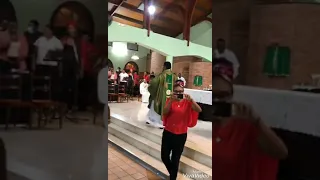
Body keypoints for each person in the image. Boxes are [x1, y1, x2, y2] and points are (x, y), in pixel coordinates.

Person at [211, 58, 288, 180]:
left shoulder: (245, 125)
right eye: (212, 95)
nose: (217, 101)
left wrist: (257, 122)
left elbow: (281, 153)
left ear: (231, 95)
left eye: (222, 95)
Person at [161, 83, 202, 180]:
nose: (178, 93)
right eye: (176, 91)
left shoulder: (187, 102)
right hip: (168, 133)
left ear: (183, 92)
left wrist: (191, 100)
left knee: (175, 159)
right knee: (164, 156)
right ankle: (173, 172)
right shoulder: (169, 100)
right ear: (173, 92)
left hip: (181, 135)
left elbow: (199, 110)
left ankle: (173, 177)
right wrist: (171, 101)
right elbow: (165, 112)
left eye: (181, 91)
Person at [34, 25, 63, 99]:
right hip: (40, 65)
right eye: (44, 30)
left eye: (47, 30)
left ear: (51, 31)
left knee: (52, 86)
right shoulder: (40, 40)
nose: (45, 32)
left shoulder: (57, 41)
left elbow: (60, 55)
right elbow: (35, 52)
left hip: (52, 67)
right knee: (40, 85)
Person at [148, 61, 177, 128]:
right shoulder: (174, 76)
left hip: (162, 96)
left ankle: (159, 122)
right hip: (171, 96)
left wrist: (151, 88)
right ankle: (167, 122)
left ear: (164, 67)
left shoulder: (161, 76)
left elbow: (153, 83)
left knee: (158, 105)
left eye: (163, 66)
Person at [61, 22, 82, 117]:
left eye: (72, 28)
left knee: (74, 87)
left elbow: (79, 55)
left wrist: (80, 67)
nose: (71, 30)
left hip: (74, 65)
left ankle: (72, 107)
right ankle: (65, 106)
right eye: (69, 28)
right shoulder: (65, 38)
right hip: (66, 65)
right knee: (65, 87)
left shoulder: (78, 40)